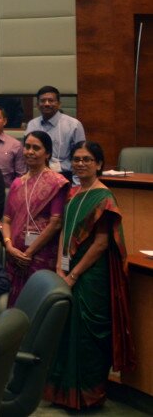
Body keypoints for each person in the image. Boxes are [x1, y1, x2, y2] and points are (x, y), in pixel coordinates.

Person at [45, 141, 136, 409]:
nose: (80, 164)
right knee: (67, 330)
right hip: (69, 270)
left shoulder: (104, 197)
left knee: (87, 336)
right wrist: (61, 267)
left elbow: (101, 243)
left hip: (92, 277)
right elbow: (64, 231)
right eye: (76, 159)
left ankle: (88, 396)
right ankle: (64, 394)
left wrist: (73, 275)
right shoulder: (73, 193)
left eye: (87, 159)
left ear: (99, 164)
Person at [2, 131, 68, 306]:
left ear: (47, 154)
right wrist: (9, 246)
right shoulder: (17, 183)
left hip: (41, 256)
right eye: (27, 147)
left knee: (37, 303)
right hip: (14, 256)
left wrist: (28, 253)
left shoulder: (56, 182)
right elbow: (6, 220)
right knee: (14, 303)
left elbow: (56, 223)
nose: (30, 151)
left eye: (36, 148)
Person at [25, 85, 85, 177]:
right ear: (37, 105)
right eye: (43, 101)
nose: (47, 104)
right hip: (36, 174)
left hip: (64, 175)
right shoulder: (32, 125)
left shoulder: (73, 125)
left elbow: (81, 156)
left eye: (51, 100)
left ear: (59, 104)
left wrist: (76, 185)